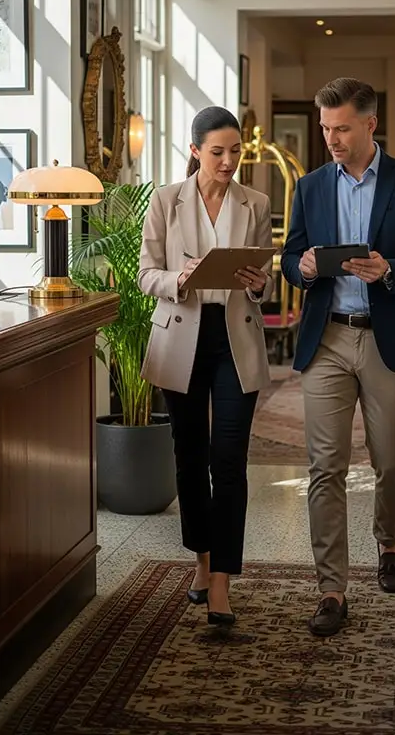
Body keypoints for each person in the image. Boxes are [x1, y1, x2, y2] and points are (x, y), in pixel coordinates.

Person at [281, 78, 395, 637]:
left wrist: (393, 271)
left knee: (391, 461)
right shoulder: (309, 187)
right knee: (324, 467)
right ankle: (331, 589)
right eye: (326, 128)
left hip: (386, 336)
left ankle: (389, 541)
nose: (331, 138)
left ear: (370, 124)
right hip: (326, 338)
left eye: (342, 128)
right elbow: (291, 255)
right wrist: (300, 270)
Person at [138, 106, 273, 626]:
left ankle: (222, 582)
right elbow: (147, 274)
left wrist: (261, 285)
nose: (228, 161)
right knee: (190, 457)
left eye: (236, 151)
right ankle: (201, 559)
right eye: (217, 151)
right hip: (182, 339)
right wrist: (181, 278)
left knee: (230, 460)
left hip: (234, 340)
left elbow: (262, 278)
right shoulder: (166, 201)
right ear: (194, 150)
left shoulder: (255, 202)